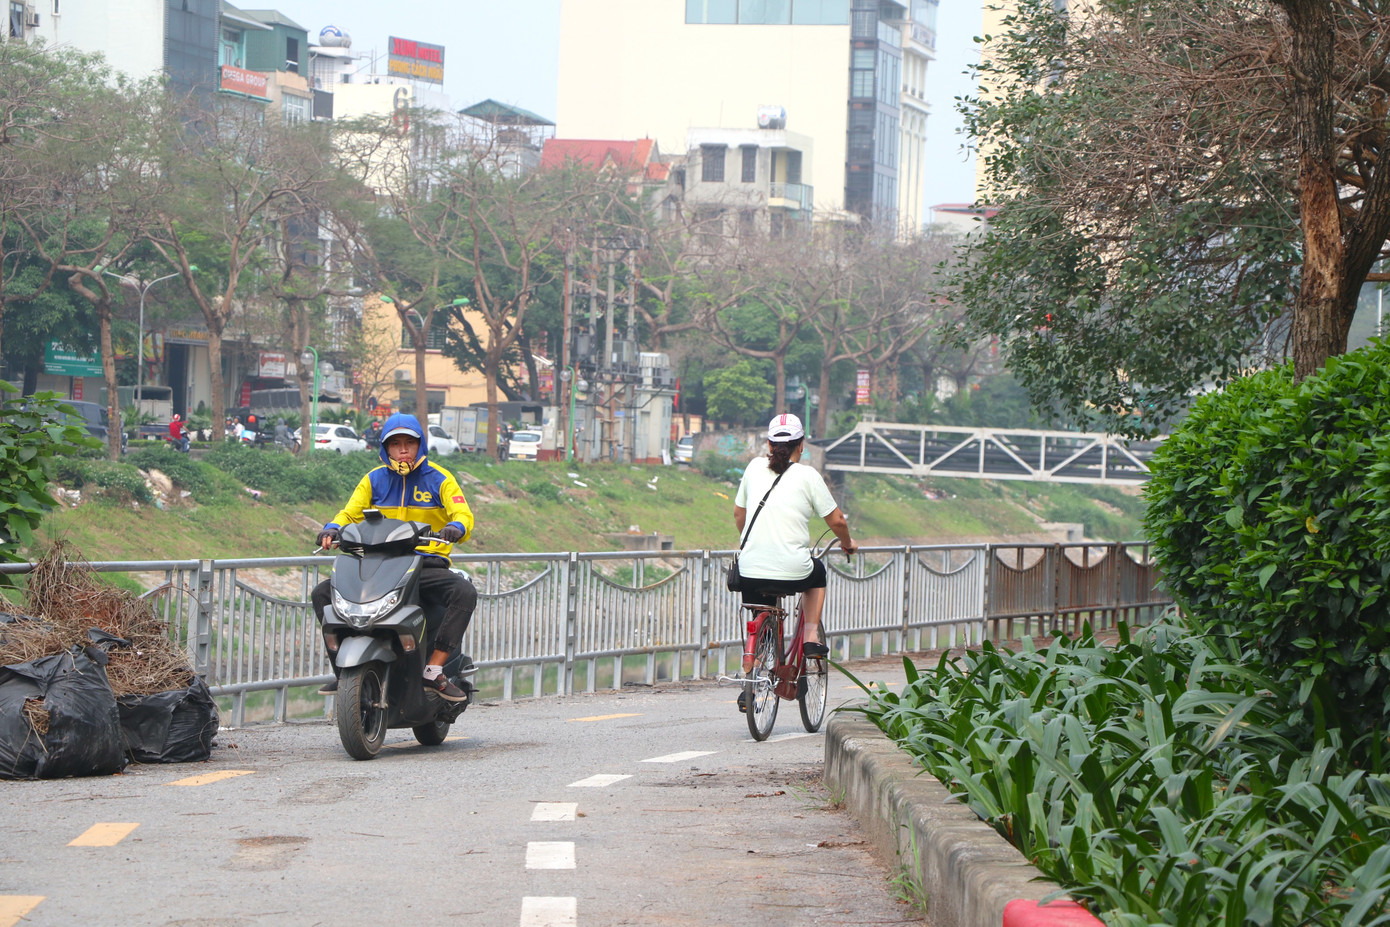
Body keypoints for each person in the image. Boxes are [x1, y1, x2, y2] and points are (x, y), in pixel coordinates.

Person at [311, 414, 477, 702]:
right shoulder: (374, 479)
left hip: (424, 562)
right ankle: (344, 670)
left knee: (464, 592)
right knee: (322, 594)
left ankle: (434, 667)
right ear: (385, 448)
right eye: (395, 444)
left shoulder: (440, 478)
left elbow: (463, 514)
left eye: (409, 443)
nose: (403, 450)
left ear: (420, 445)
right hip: (378, 563)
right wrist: (332, 528)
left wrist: (456, 528)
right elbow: (350, 513)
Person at [732, 413, 855, 708]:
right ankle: (811, 635)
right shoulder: (808, 475)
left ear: (769, 445)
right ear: (801, 445)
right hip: (794, 570)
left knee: (762, 610)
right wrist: (848, 544)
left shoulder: (752, 468)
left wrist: (752, 541)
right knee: (818, 573)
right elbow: (837, 520)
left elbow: (739, 515)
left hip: (749, 568)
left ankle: (752, 674)